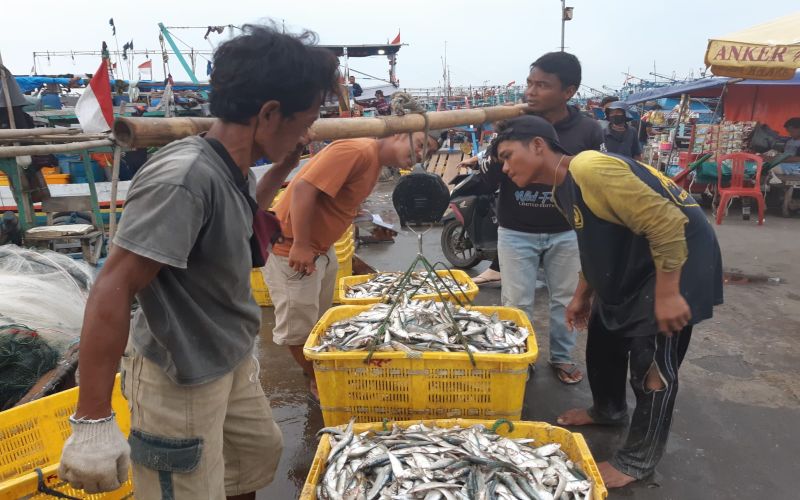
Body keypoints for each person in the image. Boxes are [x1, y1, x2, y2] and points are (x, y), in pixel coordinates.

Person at [58, 24, 339, 499]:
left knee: (252, 462)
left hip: (227, 358)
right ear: (269, 114)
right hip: (179, 373)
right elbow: (115, 284)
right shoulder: (183, 178)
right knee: (189, 488)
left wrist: (284, 168)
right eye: (304, 118)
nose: (308, 131)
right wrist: (92, 421)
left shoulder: (230, 167)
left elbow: (244, 214)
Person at [493, 114, 722, 488]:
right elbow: (593, 246)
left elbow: (666, 223)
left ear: (537, 145)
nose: (504, 167)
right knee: (603, 339)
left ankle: (636, 462)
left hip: (677, 262)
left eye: (506, 156)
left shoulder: (589, 165)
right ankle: (608, 410)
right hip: (634, 266)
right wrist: (582, 296)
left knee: (653, 368)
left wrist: (667, 293)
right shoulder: (561, 189)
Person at [263, 130, 441, 400]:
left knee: (318, 321)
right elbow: (303, 188)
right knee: (297, 328)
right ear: (398, 134)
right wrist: (300, 244)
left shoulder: (374, 163)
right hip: (291, 248)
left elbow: (341, 205)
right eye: (419, 144)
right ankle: (317, 381)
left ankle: (314, 366)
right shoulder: (358, 150)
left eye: (428, 153)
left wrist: (374, 226)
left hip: (321, 250)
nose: (420, 155)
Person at [481, 51, 604, 384]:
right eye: (530, 83)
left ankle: (562, 357)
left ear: (569, 91)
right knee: (515, 300)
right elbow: (492, 179)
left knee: (566, 298)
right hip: (516, 229)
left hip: (566, 230)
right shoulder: (512, 125)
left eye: (543, 85)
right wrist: (497, 146)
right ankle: (519, 355)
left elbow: (593, 184)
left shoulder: (588, 130)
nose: (531, 92)